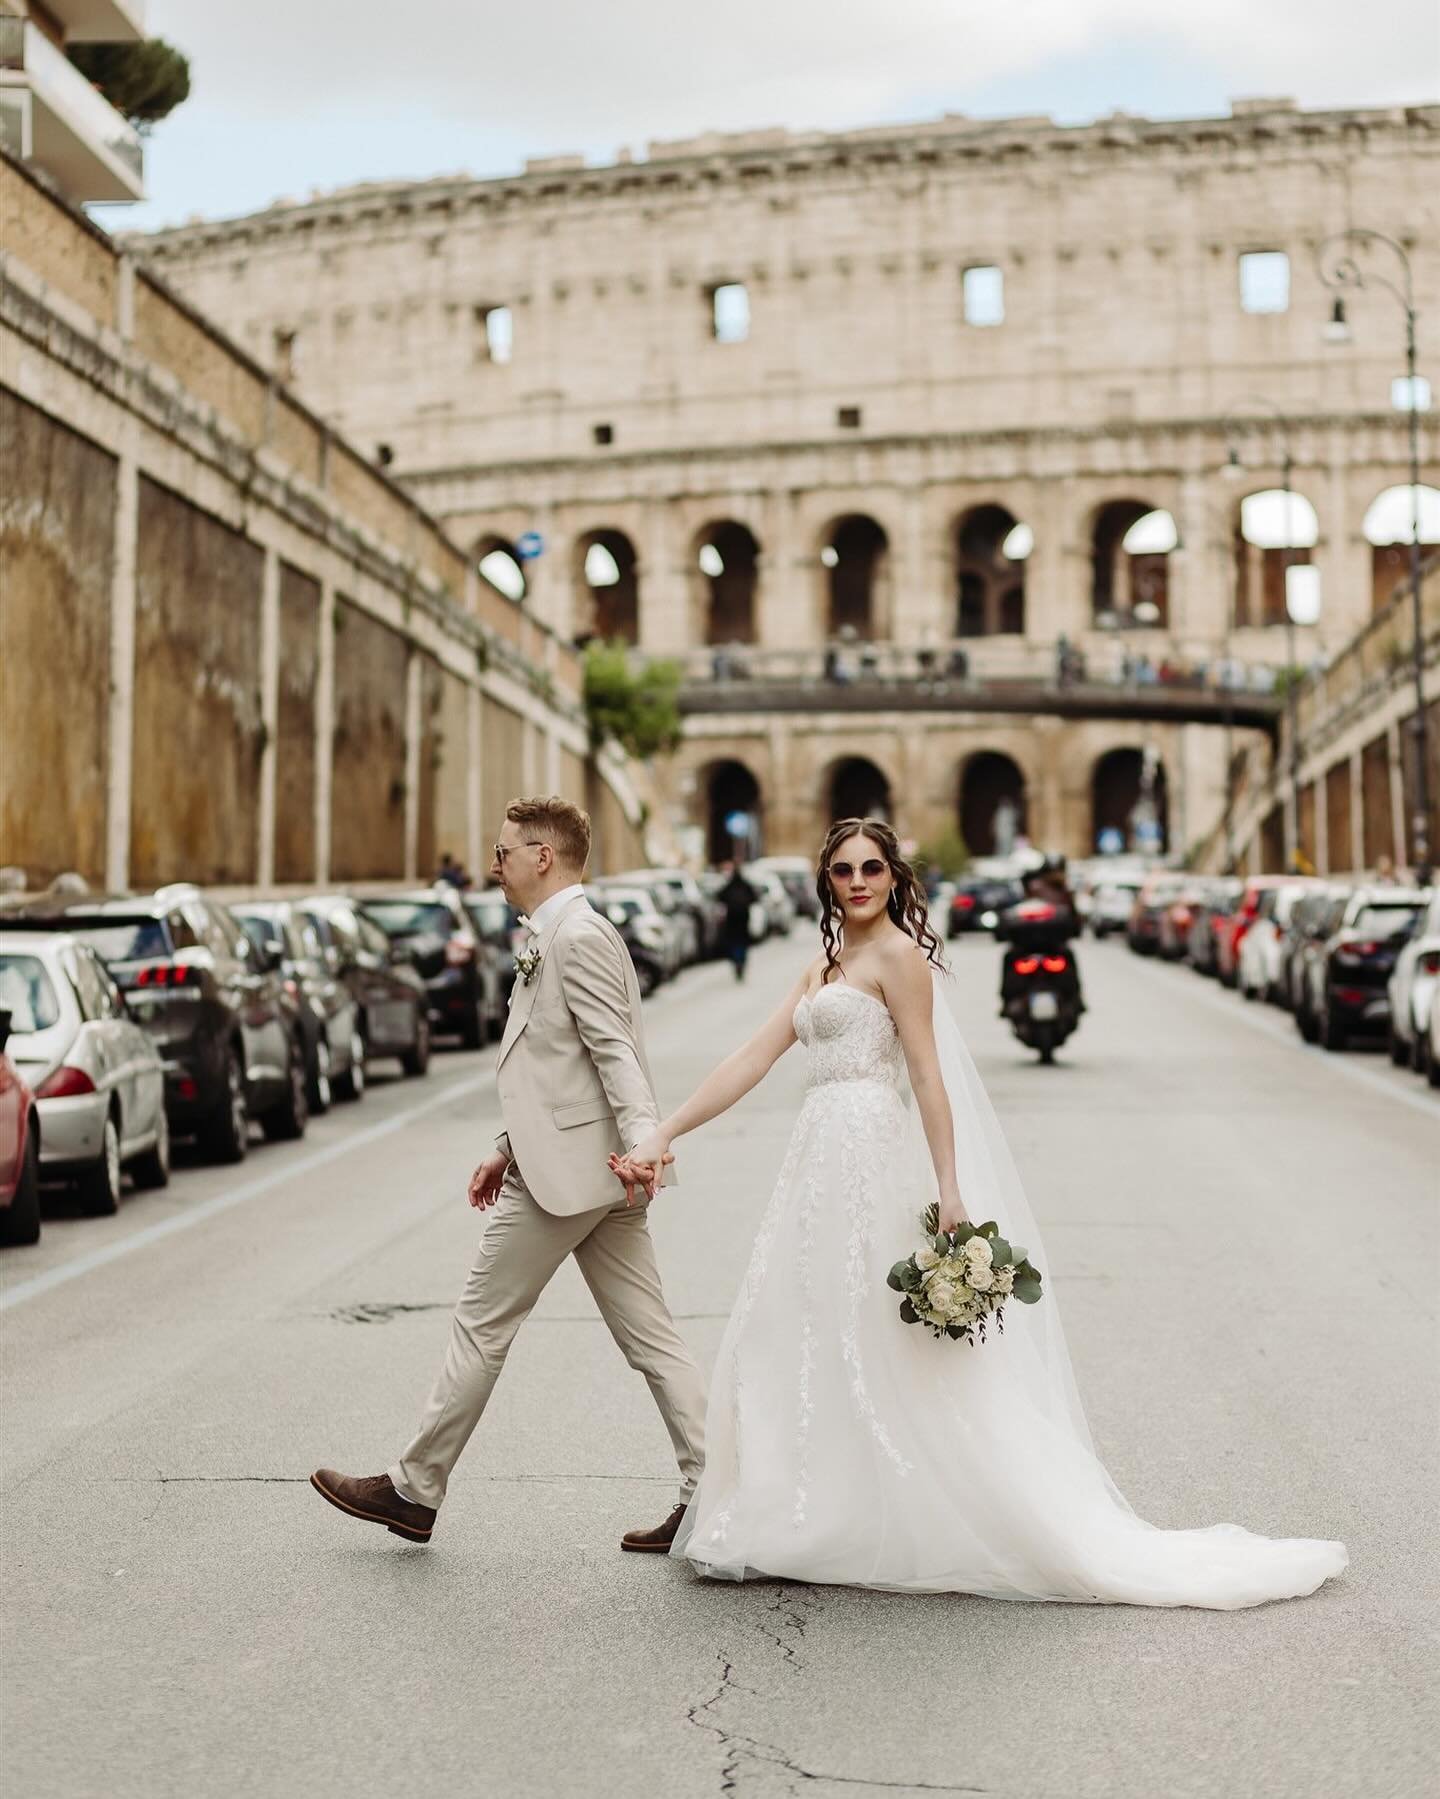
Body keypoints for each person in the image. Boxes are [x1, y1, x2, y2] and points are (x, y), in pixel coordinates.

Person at [610, 818, 1346, 1607]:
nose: (858, 882)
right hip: (814, 1164)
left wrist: (950, 1188)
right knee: (799, 1323)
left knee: (875, 1336)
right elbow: (750, 1059)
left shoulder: (898, 958)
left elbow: (928, 1078)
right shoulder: (823, 963)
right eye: (844, 870)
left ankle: (871, 1510)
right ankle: (801, 1503)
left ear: (894, 877)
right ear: (826, 880)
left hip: (869, 1156)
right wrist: (664, 1130)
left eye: (872, 869)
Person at [312, 797, 706, 1552]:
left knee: (481, 1323)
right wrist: (507, 1144)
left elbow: (613, 1052)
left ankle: (414, 1486)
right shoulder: (558, 933)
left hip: (574, 1176)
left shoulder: (577, 936)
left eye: (503, 853)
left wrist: (645, 1145)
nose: (494, 866)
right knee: (652, 1338)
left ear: (542, 856)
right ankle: (712, 1487)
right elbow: (556, 1063)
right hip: (595, 1169)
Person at [716, 860, 759, 982]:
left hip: (733, 920)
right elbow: (755, 897)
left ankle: (738, 961)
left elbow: (719, 896)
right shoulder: (745, 886)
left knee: (735, 943)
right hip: (742, 920)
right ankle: (740, 962)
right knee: (742, 943)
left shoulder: (730, 886)